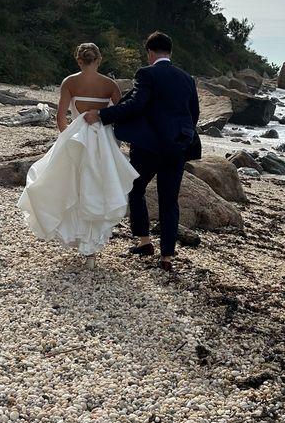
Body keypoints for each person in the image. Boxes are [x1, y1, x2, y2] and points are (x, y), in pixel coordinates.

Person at [83, 31, 200, 271]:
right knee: (170, 201)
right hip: (178, 146)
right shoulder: (187, 78)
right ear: (170, 52)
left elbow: (136, 105)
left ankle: (144, 241)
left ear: (150, 52)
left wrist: (102, 116)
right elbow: (194, 113)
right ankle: (167, 257)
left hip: (149, 147)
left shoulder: (147, 73)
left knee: (135, 188)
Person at [17, 43, 138, 266]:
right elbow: (120, 115)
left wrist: (67, 137)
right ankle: (91, 248)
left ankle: (77, 238)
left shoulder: (70, 82)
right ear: (99, 60)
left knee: (72, 187)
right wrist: (113, 140)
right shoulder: (110, 84)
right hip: (102, 141)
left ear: (79, 60)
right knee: (98, 188)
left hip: (76, 140)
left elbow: (61, 117)